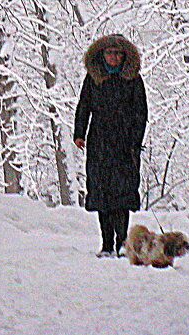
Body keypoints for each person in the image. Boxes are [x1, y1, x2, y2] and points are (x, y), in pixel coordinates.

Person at [73, 34, 148, 257]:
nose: (113, 57)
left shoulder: (133, 80)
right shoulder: (93, 78)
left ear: (124, 56)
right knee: (102, 194)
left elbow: (141, 112)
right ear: (102, 55)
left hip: (125, 145)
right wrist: (79, 133)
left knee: (122, 195)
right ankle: (106, 244)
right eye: (109, 53)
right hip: (99, 143)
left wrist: (136, 140)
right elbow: (83, 106)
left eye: (117, 53)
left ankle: (123, 243)